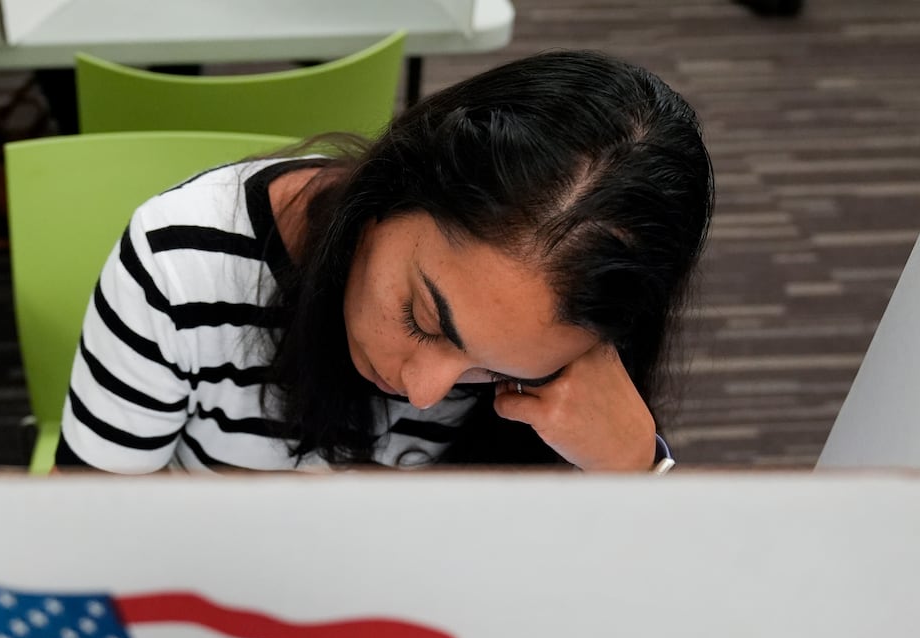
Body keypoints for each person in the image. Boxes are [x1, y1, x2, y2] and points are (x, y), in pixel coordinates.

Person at [53, 50, 714, 474]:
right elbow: (83, 536)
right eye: (424, 317)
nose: (425, 389)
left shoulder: (569, 363)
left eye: (493, 368)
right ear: (389, 191)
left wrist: (633, 465)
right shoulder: (184, 263)